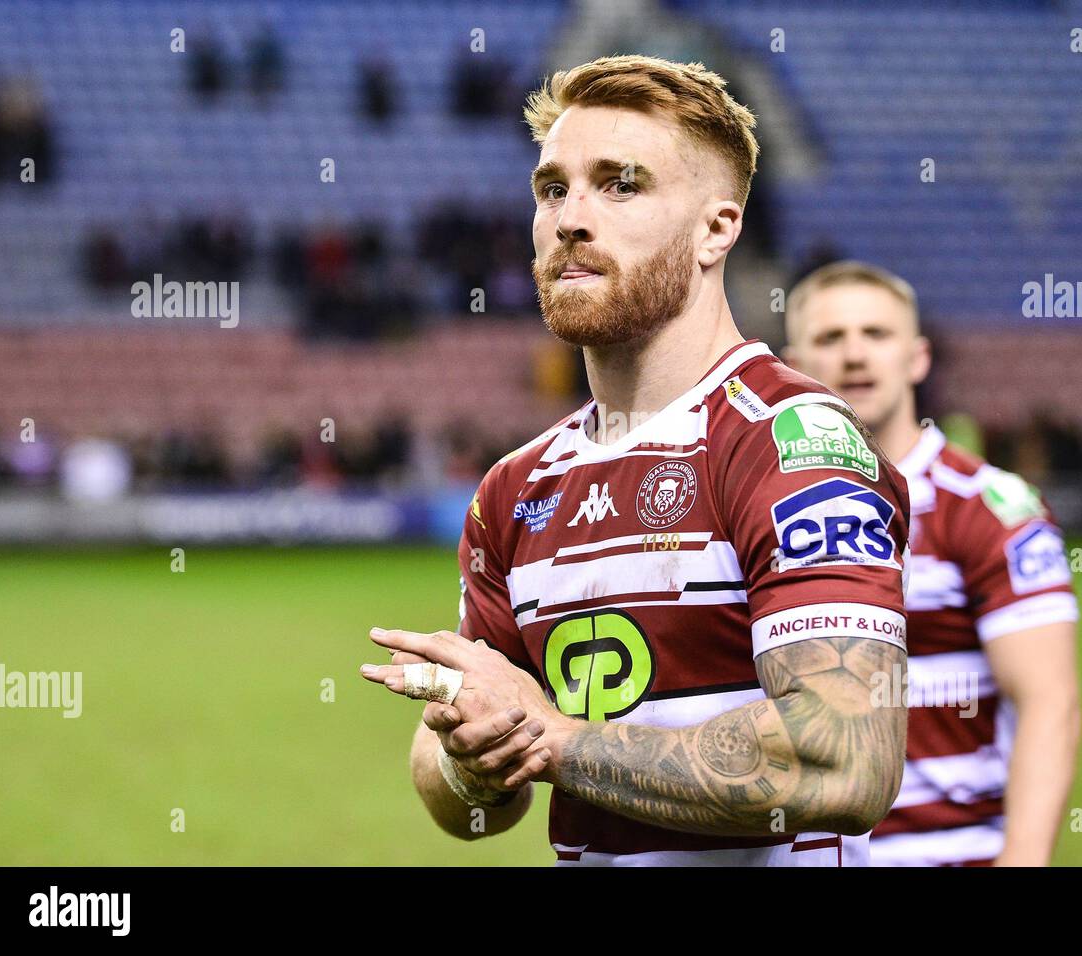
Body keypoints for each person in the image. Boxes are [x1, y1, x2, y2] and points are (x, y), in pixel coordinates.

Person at [360, 56, 910, 866]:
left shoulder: (788, 442)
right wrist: (474, 755)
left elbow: (848, 760)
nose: (571, 219)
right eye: (553, 189)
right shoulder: (517, 489)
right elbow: (454, 788)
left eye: (621, 185)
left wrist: (556, 742)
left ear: (716, 229)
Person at [782, 260, 1081, 866]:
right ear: (793, 365)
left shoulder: (991, 508)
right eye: (831, 338)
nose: (855, 355)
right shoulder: (760, 503)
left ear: (917, 358)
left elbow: (1050, 702)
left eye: (877, 334)